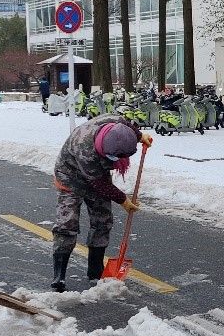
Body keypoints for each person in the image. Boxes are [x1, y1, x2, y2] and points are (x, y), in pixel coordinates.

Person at [51, 113, 152, 291]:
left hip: (98, 174)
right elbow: (99, 183)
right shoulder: (84, 148)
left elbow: (127, 127)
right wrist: (123, 200)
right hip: (70, 177)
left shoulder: (117, 122)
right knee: (67, 224)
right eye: (114, 158)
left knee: (102, 220)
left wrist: (139, 135)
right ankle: (59, 276)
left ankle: (95, 270)